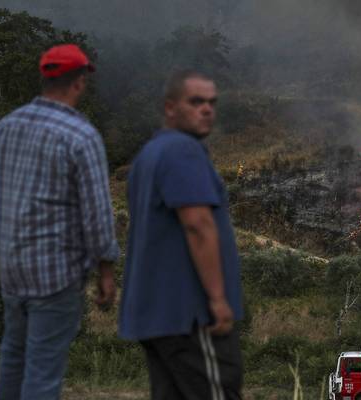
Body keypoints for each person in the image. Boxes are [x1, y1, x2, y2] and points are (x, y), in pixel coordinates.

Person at [0, 43, 120, 400]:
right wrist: (107, 272)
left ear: (45, 77)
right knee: (44, 368)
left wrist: (6, 227)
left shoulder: (8, 124)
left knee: (13, 354)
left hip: (12, 266)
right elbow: (97, 215)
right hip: (56, 273)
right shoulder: (81, 136)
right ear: (79, 82)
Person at [119, 70, 244, 400]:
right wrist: (217, 299)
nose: (207, 109)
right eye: (196, 102)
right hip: (191, 312)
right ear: (170, 107)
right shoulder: (182, 151)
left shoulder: (148, 155)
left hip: (157, 315)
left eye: (211, 103)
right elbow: (197, 224)